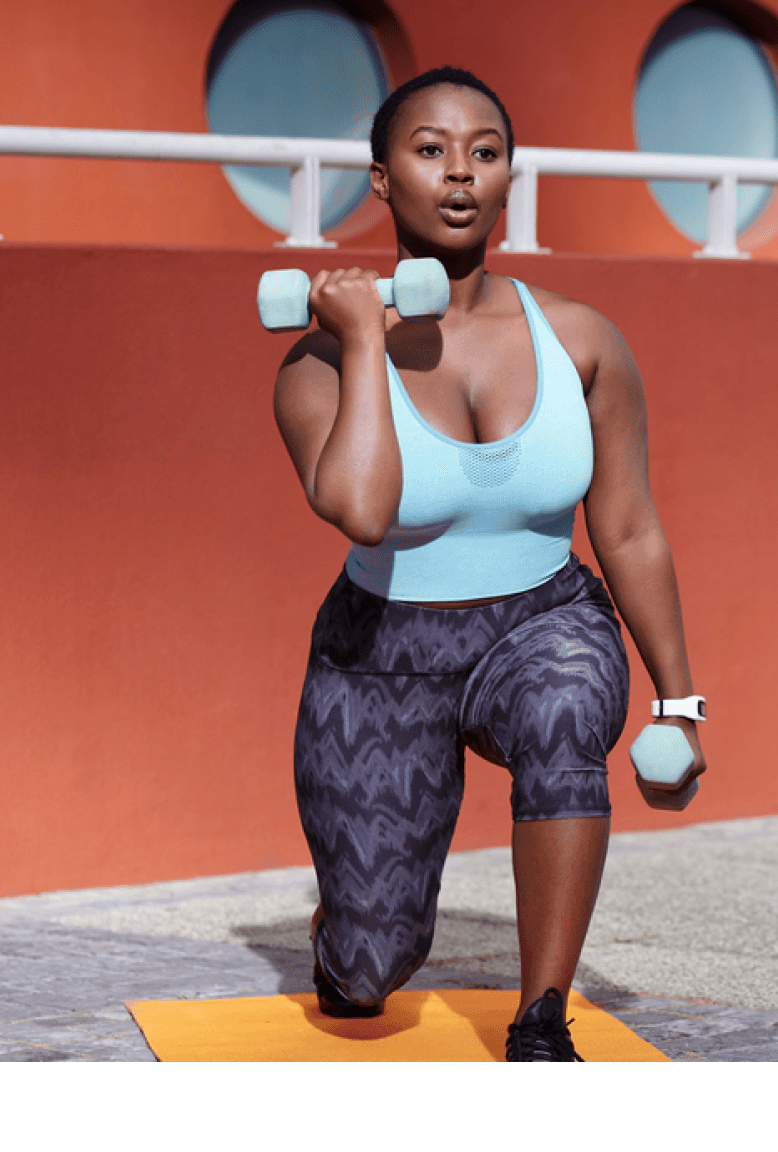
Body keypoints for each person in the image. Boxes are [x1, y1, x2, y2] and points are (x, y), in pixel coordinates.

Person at [272, 66, 707, 1062]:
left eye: (485, 151)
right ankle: (346, 944)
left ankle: (541, 1017)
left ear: (510, 175)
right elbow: (364, 511)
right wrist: (364, 346)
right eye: (429, 151)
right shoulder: (316, 365)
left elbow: (630, 528)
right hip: (380, 652)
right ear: (381, 181)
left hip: (540, 620)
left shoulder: (583, 339)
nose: (461, 174)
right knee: (368, 969)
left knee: (564, 714)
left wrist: (679, 702)